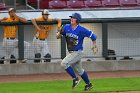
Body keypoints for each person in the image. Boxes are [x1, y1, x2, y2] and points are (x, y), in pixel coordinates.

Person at [56, 13, 98, 91]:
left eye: (74, 18)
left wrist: (94, 46)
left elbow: (93, 36)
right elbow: (57, 37)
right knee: (80, 71)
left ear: (77, 20)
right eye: (71, 17)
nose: (72, 19)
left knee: (64, 63)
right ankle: (89, 84)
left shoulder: (81, 29)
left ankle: (75, 79)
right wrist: (59, 32)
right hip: (72, 52)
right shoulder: (66, 27)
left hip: (78, 52)